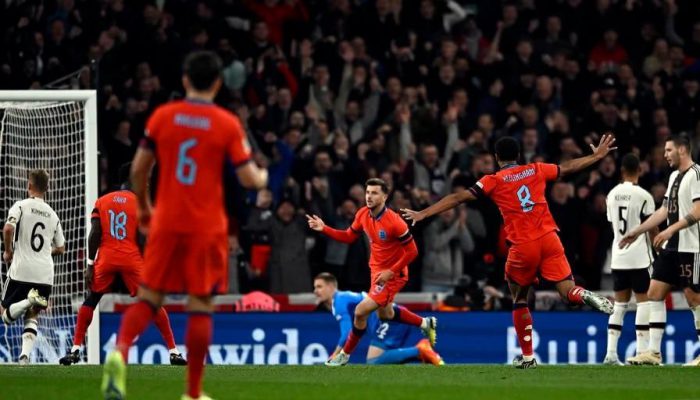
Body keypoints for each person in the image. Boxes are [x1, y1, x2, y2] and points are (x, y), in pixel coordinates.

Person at [101, 51, 268, 400]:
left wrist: (144, 209)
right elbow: (248, 179)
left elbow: (139, 170)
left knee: (149, 297)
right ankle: (192, 393)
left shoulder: (163, 116)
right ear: (218, 84)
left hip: (166, 221)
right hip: (206, 226)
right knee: (200, 304)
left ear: (185, 80)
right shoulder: (226, 123)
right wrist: (264, 176)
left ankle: (120, 351)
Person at [401, 135, 616, 369]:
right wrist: (595, 156)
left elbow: (458, 197)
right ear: (519, 156)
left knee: (519, 298)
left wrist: (424, 213)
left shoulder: (493, 180)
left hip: (523, 245)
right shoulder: (535, 169)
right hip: (550, 238)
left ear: (496, 158)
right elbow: (567, 168)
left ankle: (528, 358)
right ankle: (582, 294)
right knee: (567, 292)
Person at [59, 163, 186, 366]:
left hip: (106, 257)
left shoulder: (103, 201)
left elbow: (94, 234)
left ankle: (75, 350)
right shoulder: (140, 204)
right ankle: (173, 352)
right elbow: (144, 238)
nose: (146, 184)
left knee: (92, 299)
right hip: (131, 257)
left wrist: (90, 264)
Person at [307, 178, 438, 366]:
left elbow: (412, 252)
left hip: (393, 274)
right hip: (376, 271)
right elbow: (349, 236)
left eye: (374, 193)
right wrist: (324, 228)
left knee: (360, 312)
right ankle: (425, 323)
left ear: (384, 197)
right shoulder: (362, 214)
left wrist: (391, 272)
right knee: (386, 314)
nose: (369, 196)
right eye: (367, 192)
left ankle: (344, 356)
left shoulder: (395, 222)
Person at [620, 136, 700, 366]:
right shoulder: (674, 176)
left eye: (668, 150)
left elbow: (698, 211)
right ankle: (653, 353)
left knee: (693, 297)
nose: (665, 155)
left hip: (690, 247)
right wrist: (638, 230)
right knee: (654, 293)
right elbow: (664, 210)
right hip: (671, 247)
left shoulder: (696, 174)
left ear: (682, 150)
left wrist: (669, 230)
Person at [1, 169, 65, 364]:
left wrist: (8, 251)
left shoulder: (20, 206)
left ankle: (28, 301)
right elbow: (61, 248)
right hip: (44, 274)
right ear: (47, 188)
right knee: (32, 315)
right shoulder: (53, 215)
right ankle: (24, 356)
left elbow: (8, 228)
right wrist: (45, 252)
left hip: (22, 270)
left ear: (29, 185)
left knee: (5, 315)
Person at [313, 272, 443, 366]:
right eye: (315, 287)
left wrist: (334, 356)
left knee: (374, 360)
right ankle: (422, 354)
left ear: (331, 287)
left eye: (319, 287)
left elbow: (347, 333)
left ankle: (420, 350)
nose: (315, 291)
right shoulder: (343, 298)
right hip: (394, 316)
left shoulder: (339, 302)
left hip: (388, 321)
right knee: (384, 362)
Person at [603, 154, 656, 365]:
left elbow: (612, 223)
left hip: (618, 257)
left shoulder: (611, 194)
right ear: (639, 170)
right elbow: (652, 226)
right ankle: (642, 351)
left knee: (619, 305)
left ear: (622, 170)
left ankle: (610, 354)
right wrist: (658, 249)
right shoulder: (644, 196)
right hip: (639, 258)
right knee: (644, 303)